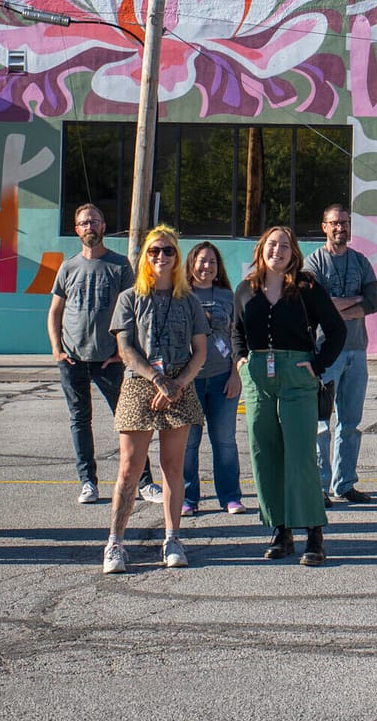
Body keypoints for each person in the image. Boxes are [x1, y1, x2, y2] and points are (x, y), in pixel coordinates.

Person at [234, 226, 346, 566]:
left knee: (300, 454)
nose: (277, 251)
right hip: (257, 376)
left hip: (296, 375)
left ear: (293, 253)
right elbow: (236, 329)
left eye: (285, 246)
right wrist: (241, 361)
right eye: (272, 244)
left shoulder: (306, 288)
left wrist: (318, 364)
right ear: (261, 249)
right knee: (264, 452)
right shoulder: (245, 289)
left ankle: (314, 532)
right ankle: (280, 530)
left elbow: (336, 329)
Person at [101, 226, 209, 574]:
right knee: (129, 469)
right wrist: (157, 379)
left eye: (168, 252)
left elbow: (200, 352)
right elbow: (125, 347)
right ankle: (115, 543)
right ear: (145, 257)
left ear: (177, 258)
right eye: (154, 251)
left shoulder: (189, 300)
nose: (161, 257)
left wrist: (176, 384)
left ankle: (173, 538)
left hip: (179, 385)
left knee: (173, 467)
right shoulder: (130, 298)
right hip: (140, 384)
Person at [48, 203, 159, 507]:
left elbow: (133, 313)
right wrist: (58, 350)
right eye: (84, 223)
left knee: (129, 420)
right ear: (77, 229)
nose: (89, 227)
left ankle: (144, 482)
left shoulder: (120, 265)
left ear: (103, 226)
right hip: (73, 360)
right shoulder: (68, 267)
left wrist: (123, 352)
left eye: (94, 221)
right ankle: (88, 482)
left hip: (110, 359)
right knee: (79, 420)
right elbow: (55, 311)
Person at [304, 204, 377, 505]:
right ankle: (320, 486)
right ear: (324, 226)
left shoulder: (361, 262)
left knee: (350, 422)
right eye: (335, 223)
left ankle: (344, 483)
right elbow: (317, 304)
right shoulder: (314, 263)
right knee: (321, 423)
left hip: (357, 351)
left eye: (345, 223)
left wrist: (337, 306)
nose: (341, 228)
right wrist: (354, 300)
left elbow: (374, 302)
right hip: (325, 352)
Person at [181, 242, 246, 517]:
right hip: (189, 381)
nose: (206, 266)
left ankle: (230, 496)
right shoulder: (180, 295)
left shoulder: (227, 296)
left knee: (225, 441)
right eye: (202, 261)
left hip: (222, 379)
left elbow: (238, 337)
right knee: (188, 443)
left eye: (212, 262)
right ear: (191, 264)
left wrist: (235, 375)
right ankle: (187, 497)